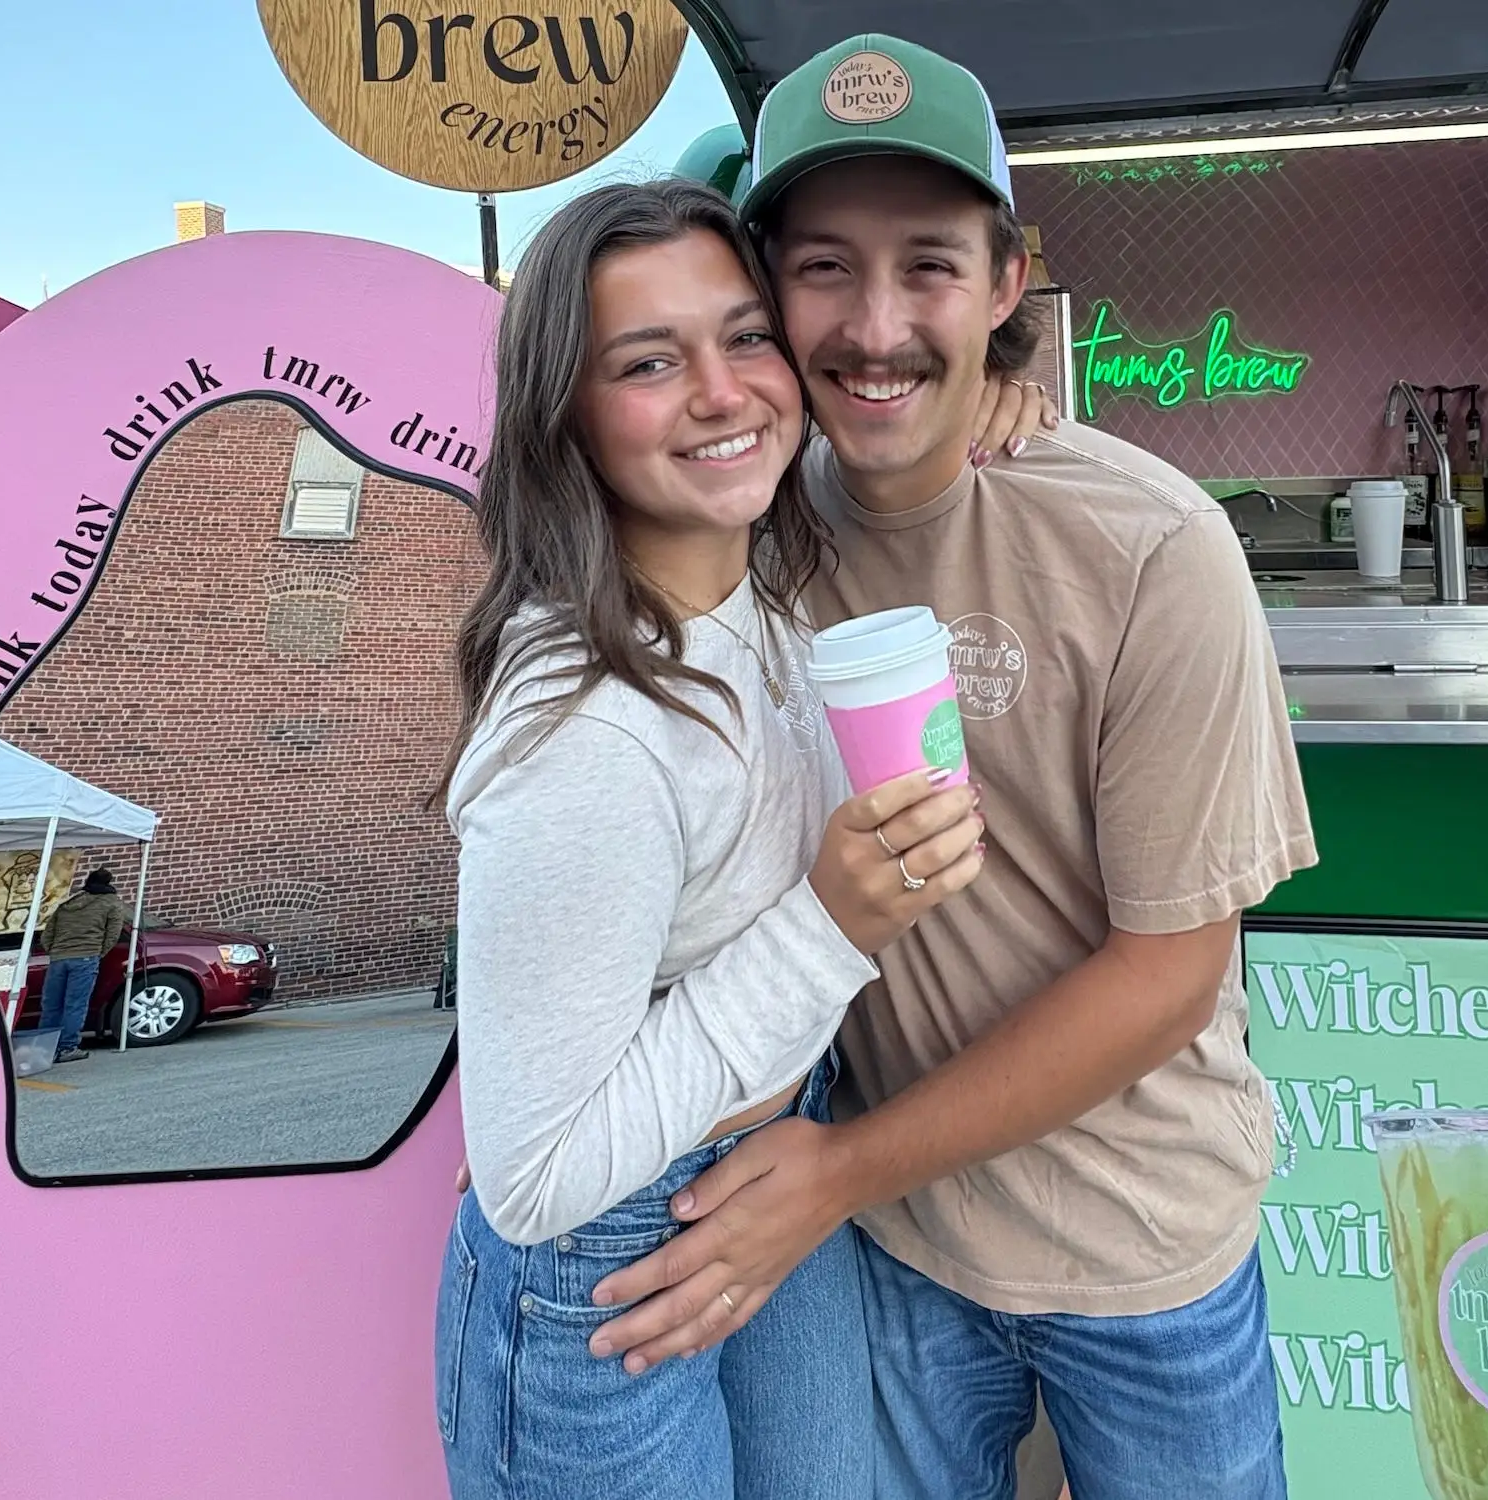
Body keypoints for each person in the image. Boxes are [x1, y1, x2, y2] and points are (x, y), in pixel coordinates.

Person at [582, 35, 1319, 1500]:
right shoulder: (751, 529)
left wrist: (840, 1176)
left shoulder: (1151, 548)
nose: (874, 327)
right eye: (821, 270)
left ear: (1006, 281)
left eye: (928, 266)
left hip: (1139, 1250)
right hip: (904, 1255)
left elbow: (1170, 970)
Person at [431, 177, 1050, 1500]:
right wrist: (835, 927)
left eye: (745, 335)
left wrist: (991, 390)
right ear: (571, 417)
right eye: (650, 362)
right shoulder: (587, 733)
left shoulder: (756, 580)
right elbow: (534, 1180)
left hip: (774, 1171)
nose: (724, 392)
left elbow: (869, 410)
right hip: (607, 1271)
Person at [38, 867, 128, 1063]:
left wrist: (55, 951)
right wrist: (98, 952)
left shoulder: (68, 903)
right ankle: (67, 1047)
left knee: (51, 1005)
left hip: (59, 958)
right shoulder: (111, 903)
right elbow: (112, 934)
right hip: (86, 957)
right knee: (75, 1005)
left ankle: (45, 1047)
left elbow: (47, 935)